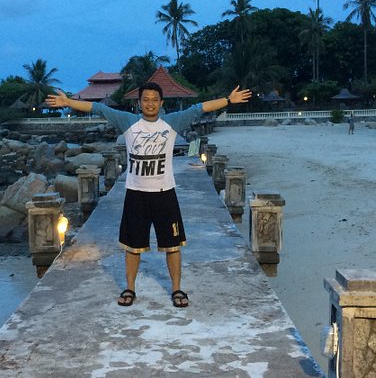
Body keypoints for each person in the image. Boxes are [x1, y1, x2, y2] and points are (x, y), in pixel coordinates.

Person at [46, 82, 251, 308]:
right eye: (146, 99)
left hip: (165, 195)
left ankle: (177, 289)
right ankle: (130, 288)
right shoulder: (128, 122)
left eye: (154, 100)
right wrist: (68, 102)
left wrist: (228, 100)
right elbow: (99, 109)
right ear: (139, 102)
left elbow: (199, 108)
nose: (150, 104)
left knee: (173, 245)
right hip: (136, 195)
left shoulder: (172, 122)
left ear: (161, 103)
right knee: (132, 246)